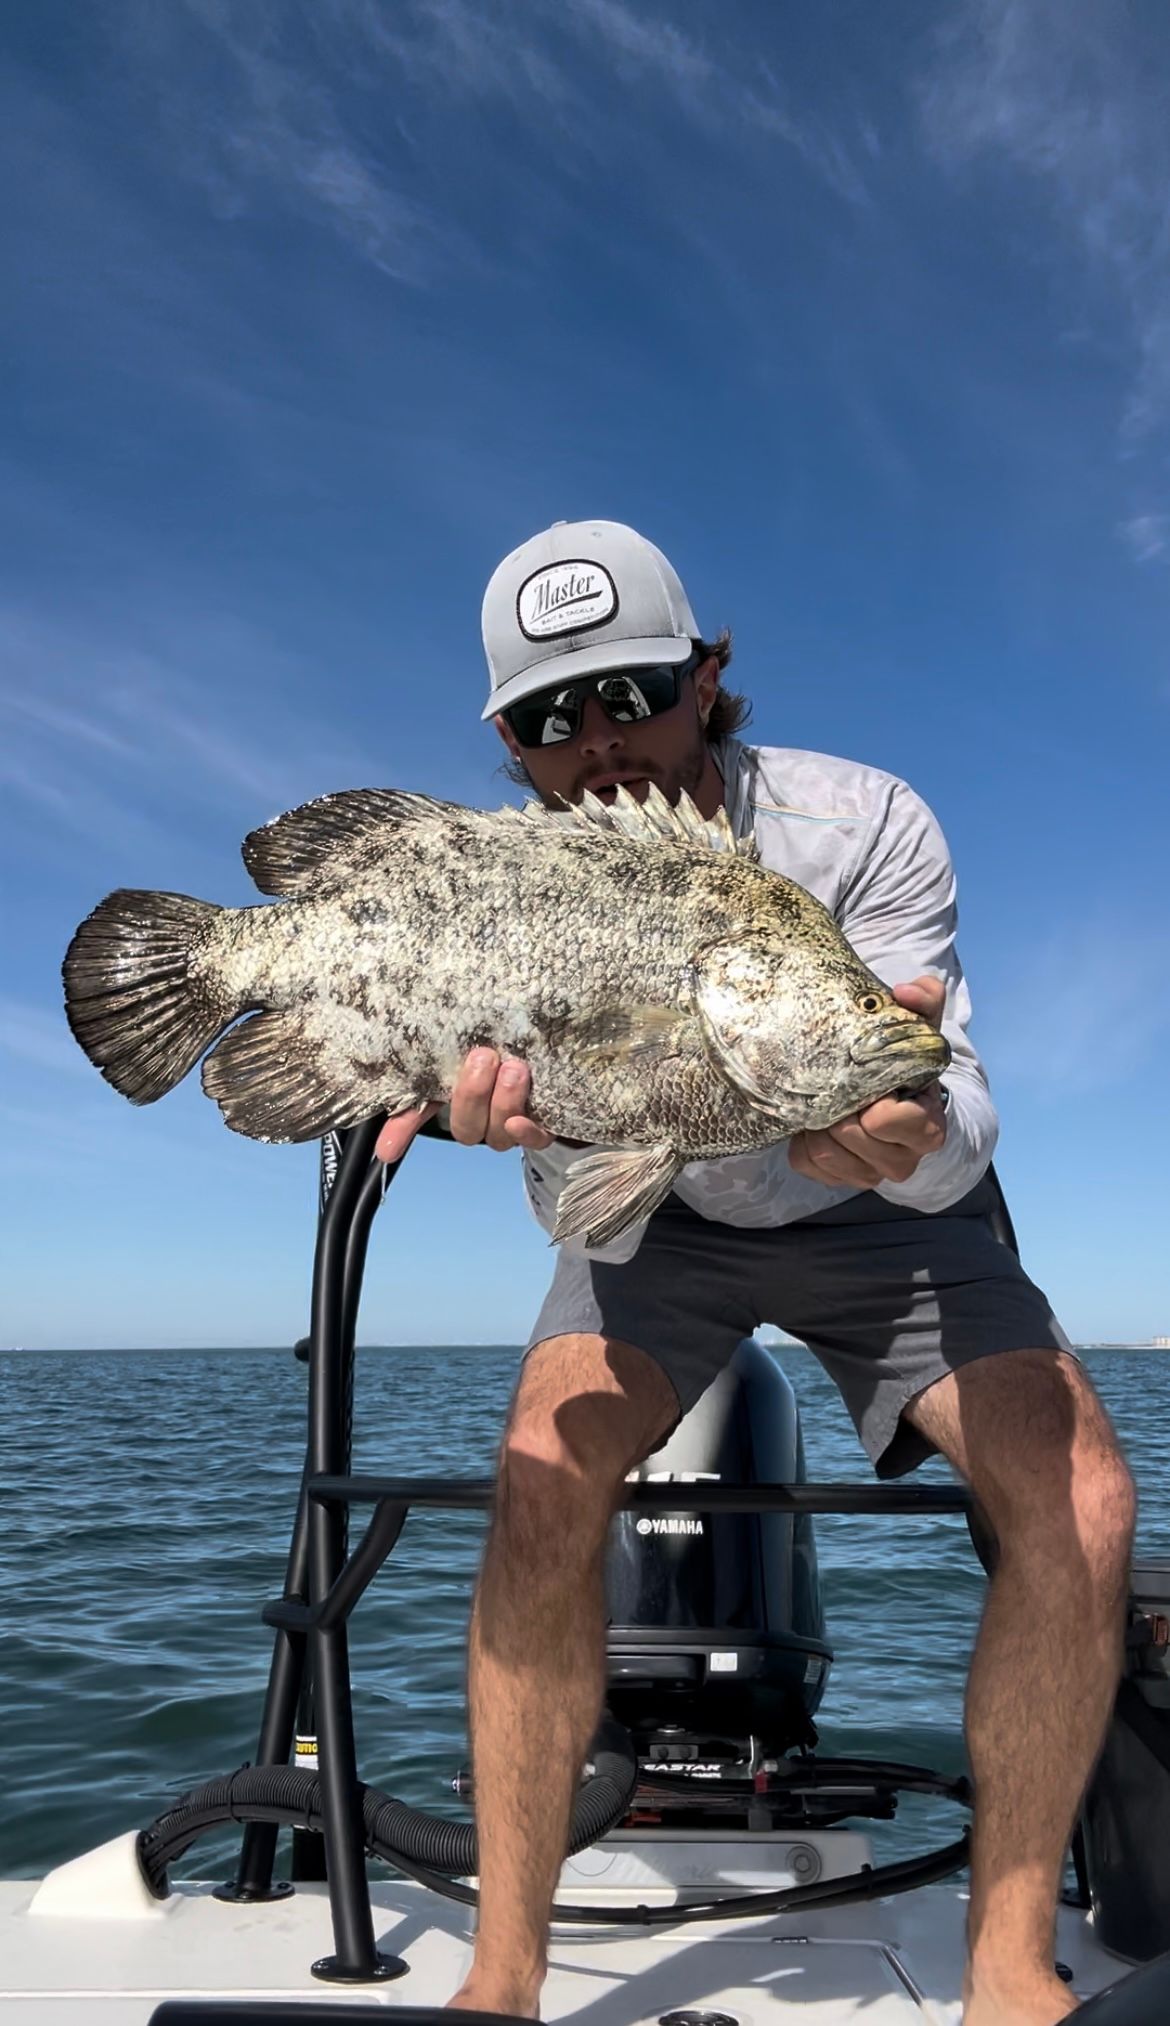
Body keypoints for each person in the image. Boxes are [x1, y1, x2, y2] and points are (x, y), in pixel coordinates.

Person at [376, 520, 1135, 2026]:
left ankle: (1004, 1965)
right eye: (543, 718)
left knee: (1087, 1498)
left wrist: (897, 1144)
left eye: (630, 694)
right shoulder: (507, 880)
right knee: (540, 1468)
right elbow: (574, 1178)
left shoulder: (863, 824)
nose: (593, 744)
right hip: (656, 1220)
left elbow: (953, 1104)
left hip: (883, 1216)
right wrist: (499, 1120)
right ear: (508, 748)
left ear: (708, 678)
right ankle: (506, 1980)